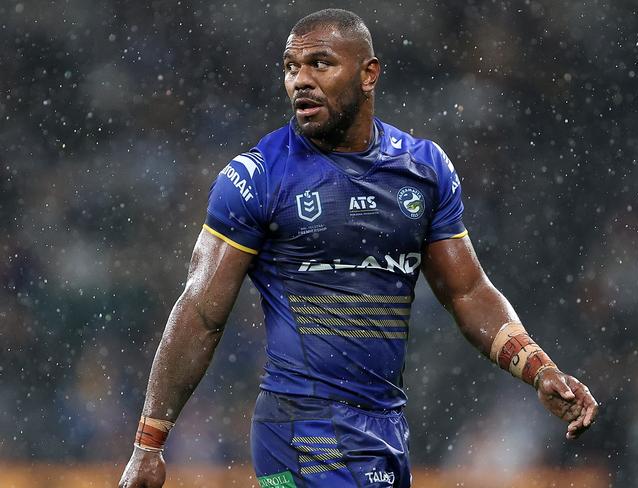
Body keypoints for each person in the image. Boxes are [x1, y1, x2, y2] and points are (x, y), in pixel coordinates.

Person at [118, 8, 598, 488]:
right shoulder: (255, 177)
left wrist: (540, 369)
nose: (300, 81)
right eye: (291, 67)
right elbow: (201, 310)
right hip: (301, 427)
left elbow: (468, 292)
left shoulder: (423, 170)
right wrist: (148, 444)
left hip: (384, 426)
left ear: (369, 74)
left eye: (320, 64)